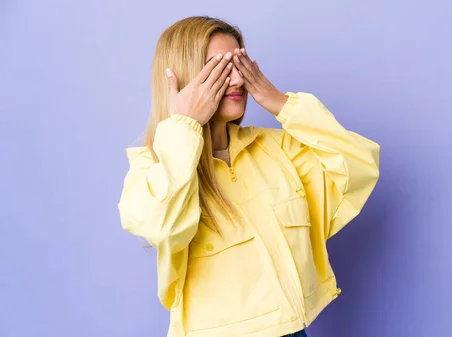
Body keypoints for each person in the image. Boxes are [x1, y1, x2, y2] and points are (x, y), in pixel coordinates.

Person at [117, 16, 380, 337]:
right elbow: (160, 225)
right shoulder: (152, 164)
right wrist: (183, 125)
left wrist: (282, 104)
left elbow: (360, 164)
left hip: (294, 330)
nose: (237, 81)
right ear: (184, 76)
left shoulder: (276, 147)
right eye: (219, 68)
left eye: (239, 65)